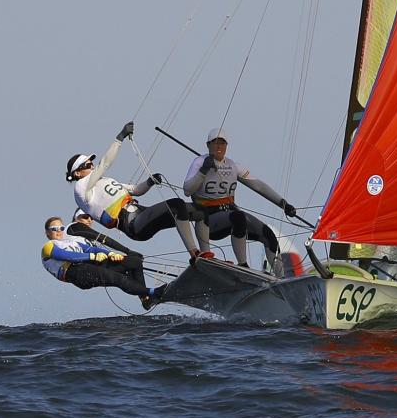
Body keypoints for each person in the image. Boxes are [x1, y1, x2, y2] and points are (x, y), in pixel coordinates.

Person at [69, 121, 202, 257]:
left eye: (92, 164)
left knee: (199, 211)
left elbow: (136, 190)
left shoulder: (104, 181)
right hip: (133, 224)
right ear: (77, 173)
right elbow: (104, 164)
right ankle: (195, 255)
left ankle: (206, 253)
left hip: (142, 214)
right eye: (87, 165)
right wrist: (119, 138)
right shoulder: (81, 188)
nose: (92, 167)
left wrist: (150, 182)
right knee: (177, 204)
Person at [181, 128, 297, 273]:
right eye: (215, 143)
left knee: (269, 235)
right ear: (208, 145)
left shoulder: (233, 165)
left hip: (231, 214)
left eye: (222, 143)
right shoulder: (199, 162)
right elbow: (187, 190)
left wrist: (283, 204)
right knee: (238, 217)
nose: (219, 147)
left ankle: (282, 279)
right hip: (208, 220)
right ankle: (243, 265)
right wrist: (203, 170)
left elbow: (258, 186)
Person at [39, 216, 165, 308]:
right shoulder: (48, 246)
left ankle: (146, 299)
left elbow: (91, 248)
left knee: (134, 262)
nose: (59, 230)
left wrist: (110, 254)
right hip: (75, 273)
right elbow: (68, 256)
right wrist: (92, 257)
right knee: (117, 278)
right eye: (54, 228)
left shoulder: (72, 242)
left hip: (87, 266)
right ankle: (153, 292)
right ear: (47, 232)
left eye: (61, 227)